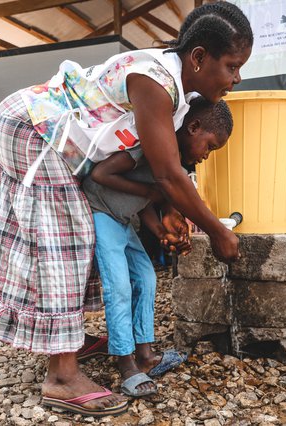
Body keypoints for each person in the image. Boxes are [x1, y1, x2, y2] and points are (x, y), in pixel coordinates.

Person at [0, 2, 252, 417]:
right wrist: (218, 231)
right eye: (232, 66)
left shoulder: (176, 90)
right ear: (199, 57)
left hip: (49, 134)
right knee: (65, 244)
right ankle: (62, 376)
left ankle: (63, 339)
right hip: (32, 127)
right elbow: (165, 175)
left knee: (73, 238)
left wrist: (174, 212)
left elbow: (168, 172)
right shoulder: (156, 82)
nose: (236, 79)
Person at [84, 97, 233, 398]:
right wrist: (151, 192)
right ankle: (125, 362)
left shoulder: (173, 162)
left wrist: (162, 231)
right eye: (210, 146)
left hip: (124, 220)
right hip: (101, 214)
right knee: (119, 287)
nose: (207, 156)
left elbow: (143, 207)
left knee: (147, 278)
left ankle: (145, 355)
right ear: (193, 127)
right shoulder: (149, 146)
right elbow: (101, 175)